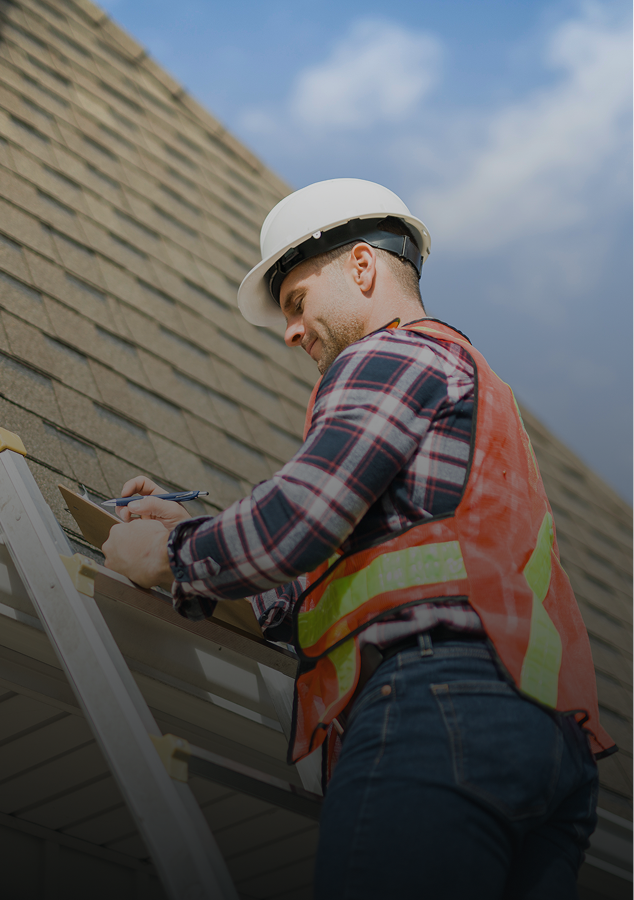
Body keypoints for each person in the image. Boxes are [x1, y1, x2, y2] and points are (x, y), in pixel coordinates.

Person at [103, 178, 615, 898]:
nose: (290, 330)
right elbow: (330, 578)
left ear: (362, 269)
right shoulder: (474, 392)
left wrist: (170, 557)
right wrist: (197, 528)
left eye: (295, 302)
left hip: (436, 707)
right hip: (549, 750)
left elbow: (302, 518)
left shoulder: (388, 356)